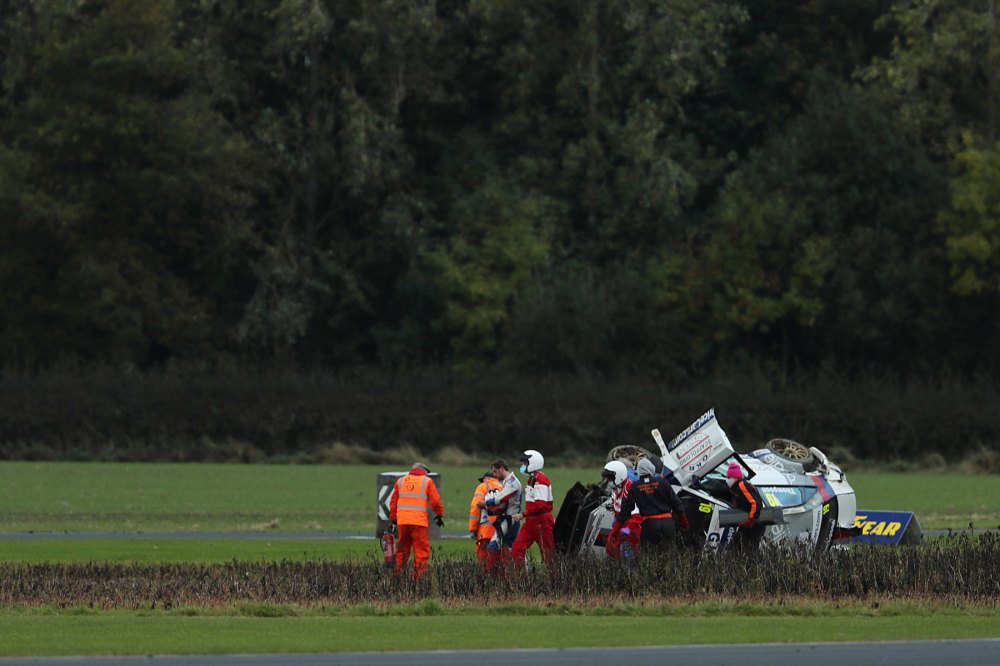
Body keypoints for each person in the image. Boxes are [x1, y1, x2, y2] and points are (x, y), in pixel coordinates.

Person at [617, 457, 689, 551]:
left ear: (639, 471)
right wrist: (683, 522)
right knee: (669, 556)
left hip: (649, 525)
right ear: (652, 469)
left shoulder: (634, 487)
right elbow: (677, 503)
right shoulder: (663, 482)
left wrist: (616, 529)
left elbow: (626, 510)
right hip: (668, 523)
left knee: (650, 557)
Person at [389, 461, 444, 579]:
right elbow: (436, 501)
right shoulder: (427, 481)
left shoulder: (400, 481)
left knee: (402, 550)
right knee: (421, 552)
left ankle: (397, 576)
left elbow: (393, 503)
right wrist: (439, 514)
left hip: (402, 522)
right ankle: (418, 579)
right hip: (419, 522)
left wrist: (393, 520)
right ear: (424, 472)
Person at [510, 449, 555, 566]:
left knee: (548, 555)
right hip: (531, 521)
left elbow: (541, 505)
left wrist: (523, 514)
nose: (523, 466)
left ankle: (555, 581)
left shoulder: (541, 480)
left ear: (533, 463)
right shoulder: (532, 479)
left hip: (542, 522)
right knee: (517, 549)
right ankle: (522, 579)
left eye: (525, 463)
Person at [477, 458, 522, 568]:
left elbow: (500, 499)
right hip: (506, 520)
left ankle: (491, 575)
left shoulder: (512, 483)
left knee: (494, 547)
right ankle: (521, 574)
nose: (494, 475)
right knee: (508, 550)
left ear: (501, 469)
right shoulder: (506, 482)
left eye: (494, 471)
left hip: (510, 520)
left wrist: (485, 503)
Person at [601, 460, 641, 559]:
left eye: (610, 478)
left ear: (619, 476)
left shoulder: (630, 489)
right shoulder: (616, 489)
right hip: (620, 529)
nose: (609, 482)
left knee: (629, 558)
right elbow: (617, 506)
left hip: (632, 531)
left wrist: (627, 528)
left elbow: (637, 514)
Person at [725, 461, 766, 553]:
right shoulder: (736, 489)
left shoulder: (742, 486)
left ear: (735, 478)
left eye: (728, 477)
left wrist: (750, 520)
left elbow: (755, 503)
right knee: (736, 547)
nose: (727, 480)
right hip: (748, 525)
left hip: (753, 524)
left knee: (749, 550)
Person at [468, 469, 503, 564]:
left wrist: (473, 529)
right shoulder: (503, 487)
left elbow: (475, 509)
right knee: (499, 563)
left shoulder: (482, 487)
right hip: (502, 531)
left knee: (484, 563)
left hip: (485, 532)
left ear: (486, 479)